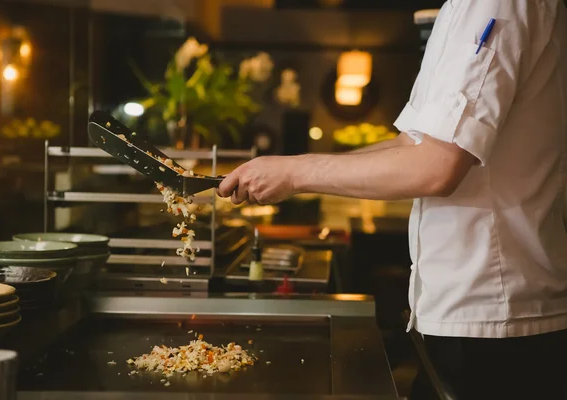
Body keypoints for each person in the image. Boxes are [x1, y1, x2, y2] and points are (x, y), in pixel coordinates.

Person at [218, 0, 567, 398]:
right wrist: (288, 167)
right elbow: (411, 144)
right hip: (472, 314)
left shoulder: (495, 3)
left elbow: (435, 167)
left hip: (495, 319)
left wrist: (294, 174)